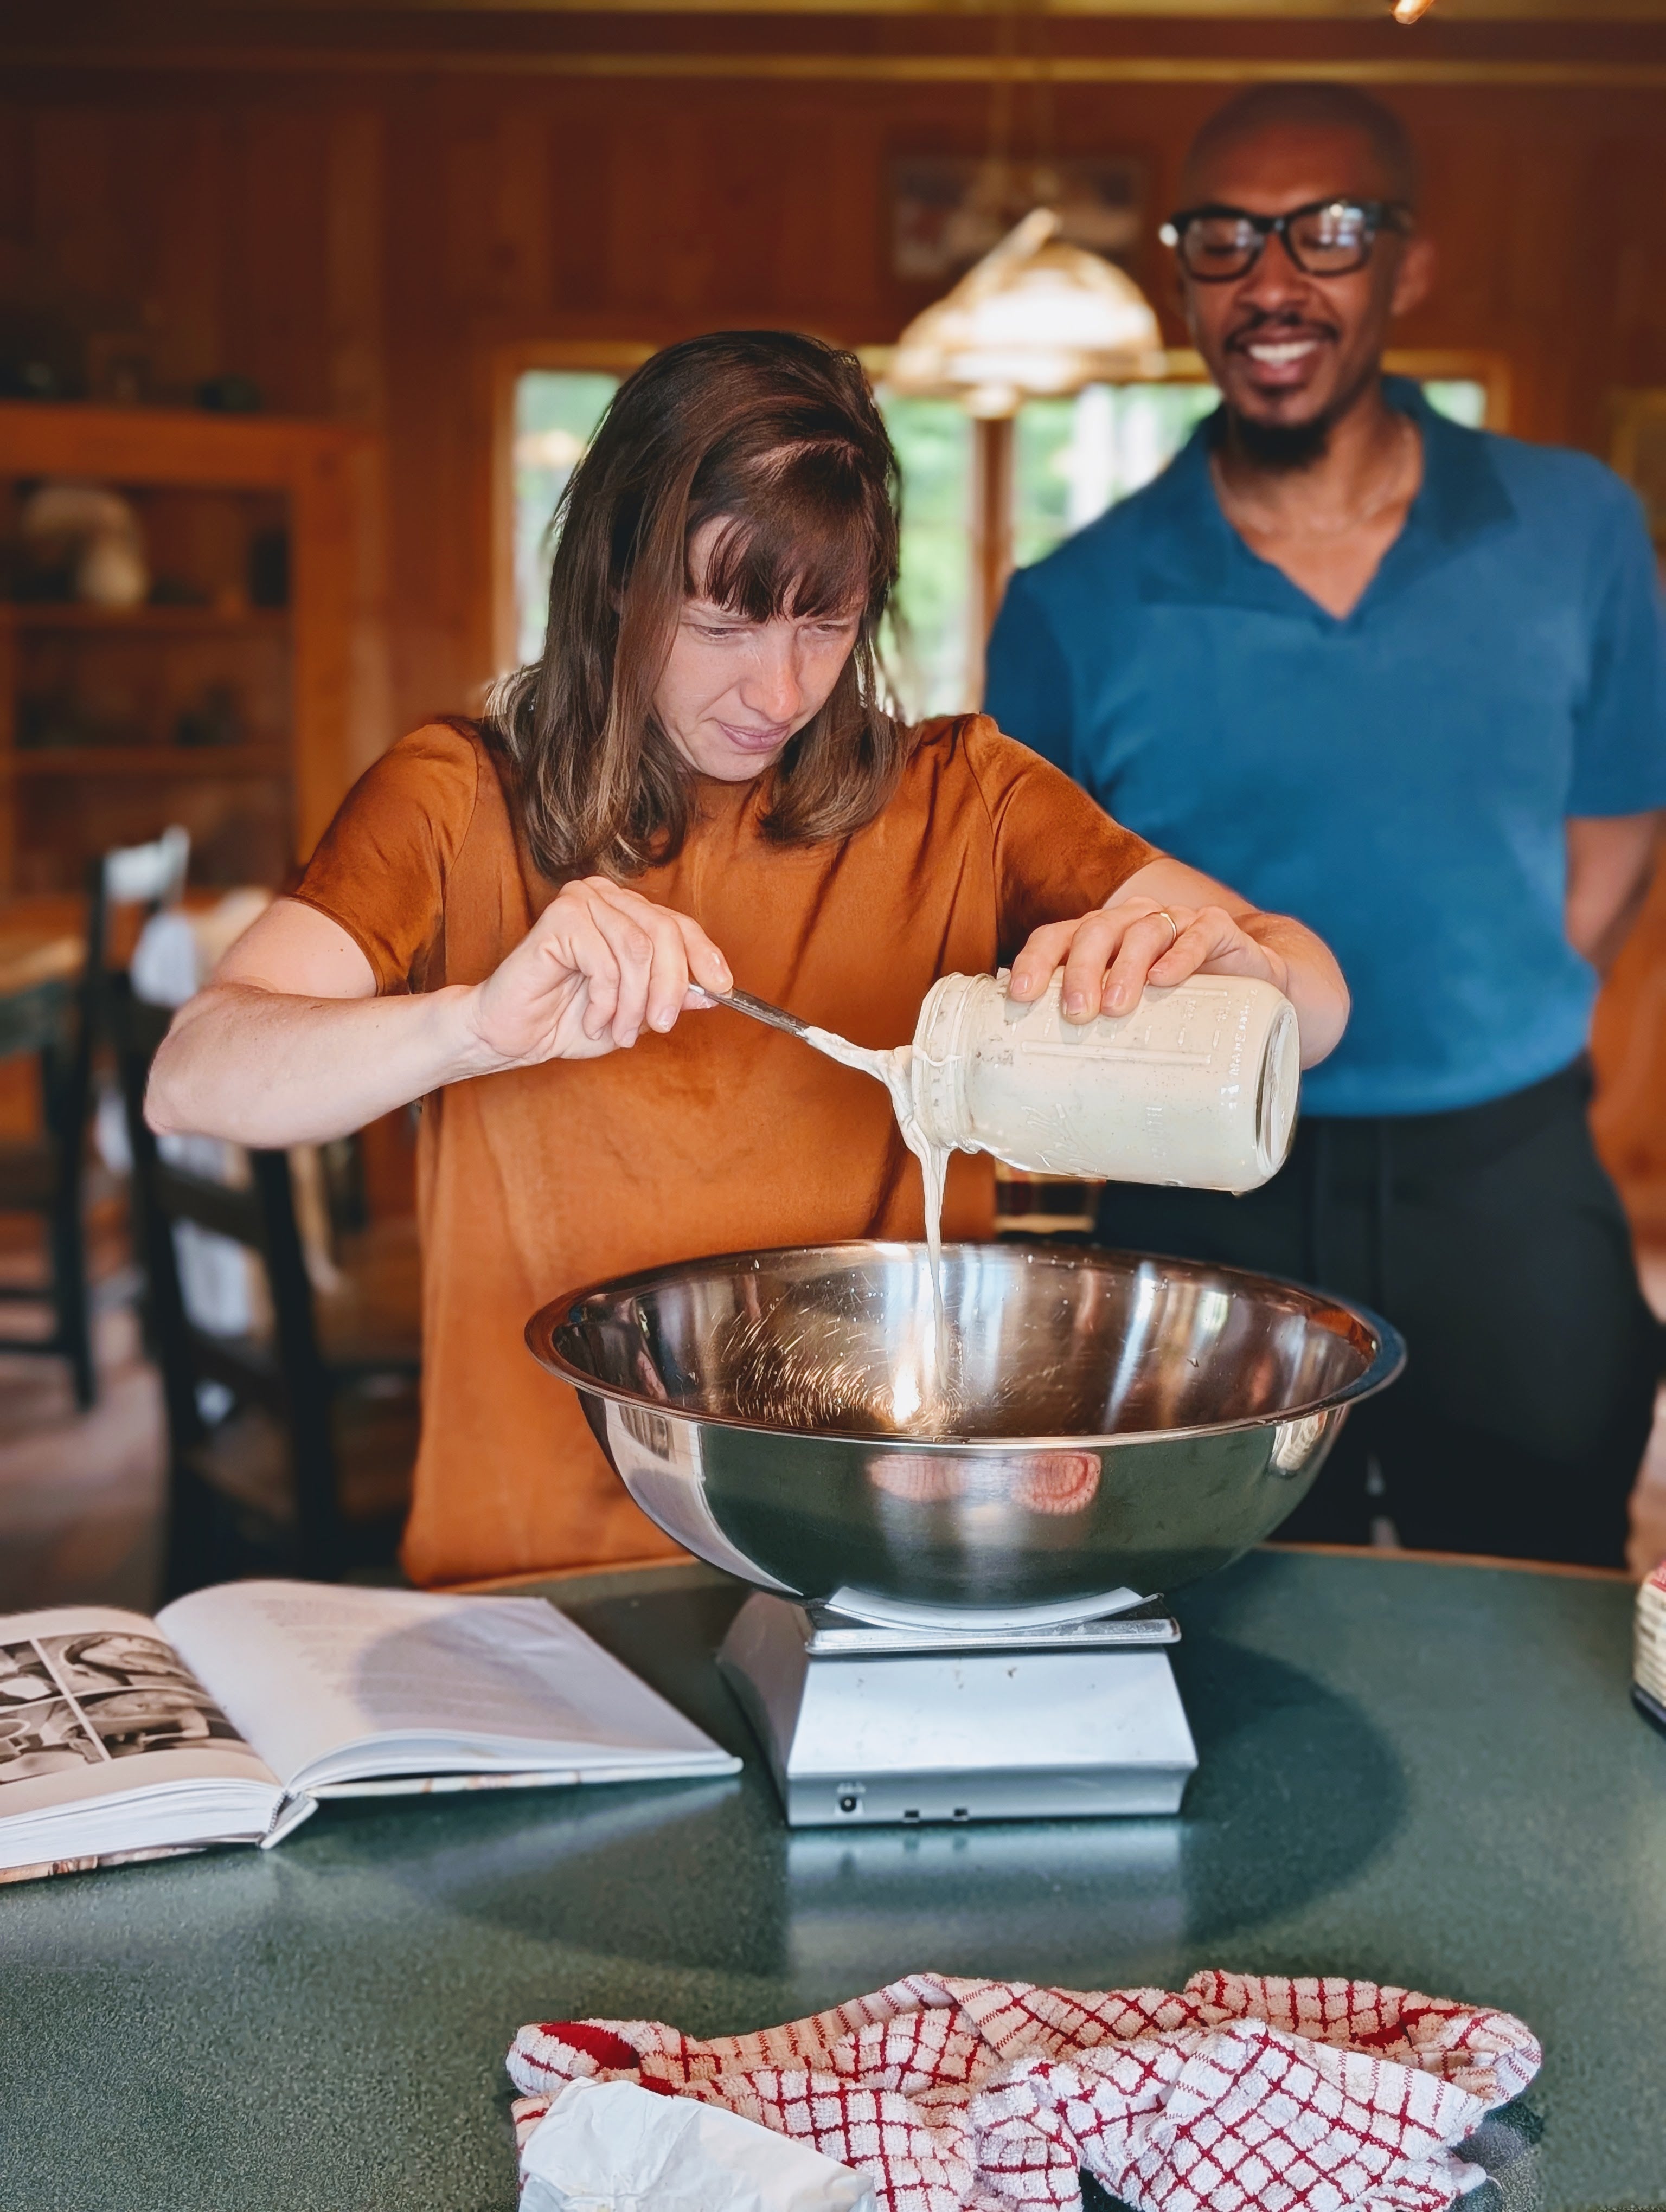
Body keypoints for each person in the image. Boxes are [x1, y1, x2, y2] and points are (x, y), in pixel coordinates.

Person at [148, 331, 1348, 1589]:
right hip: (539, 1571)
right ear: (617, 576)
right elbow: (196, 1073)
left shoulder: (967, 798)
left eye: (824, 624)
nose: (778, 690)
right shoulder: (458, 801)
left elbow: (1316, 992)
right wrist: (470, 1028)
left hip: (877, 1559)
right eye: (722, 622)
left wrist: (1236, 966)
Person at [984, 83, 1666, 1567]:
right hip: (1195, 1191)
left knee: (1534, 1613)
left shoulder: (1578, 531)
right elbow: (1032, 910)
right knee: (1196, 1609)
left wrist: (1472, 1012)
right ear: (1182, 279)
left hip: (1501, 1184)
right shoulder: (1071, 600)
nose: (1272, 281)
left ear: (1406, 267)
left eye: (1327, 234)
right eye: (1223, 240)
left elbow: (1613, 844)